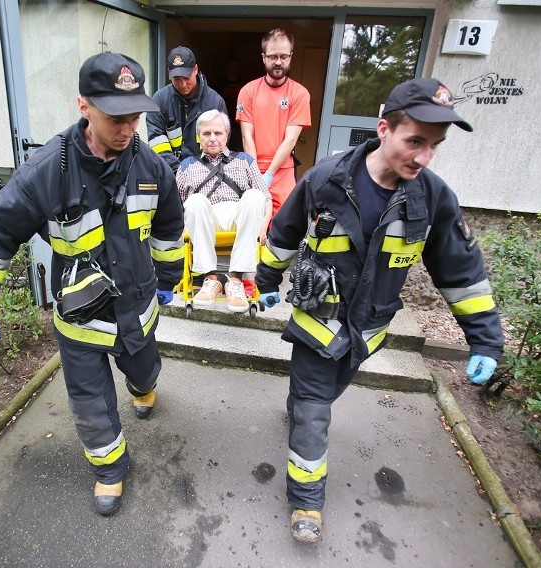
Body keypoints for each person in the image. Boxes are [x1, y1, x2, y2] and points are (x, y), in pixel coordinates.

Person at [255, 77, 504, 543]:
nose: (424, 157)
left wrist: (485, 337)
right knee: (313, 411)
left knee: (323, 396)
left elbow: (460, 272)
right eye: (415, 142)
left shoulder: (431, 198)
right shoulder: (327, 179)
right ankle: (306, 502)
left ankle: (300, 405)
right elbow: (284, 232)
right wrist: (267, 281)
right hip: (317, 322)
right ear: (384, 128)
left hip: (367, 330)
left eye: (434, 146)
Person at [0, 52, 185, 517]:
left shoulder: (151, 166)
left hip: (138, 306)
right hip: (81, 317)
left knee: (144, 372)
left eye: (135, 117)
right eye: (116, 117)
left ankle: (144, 387)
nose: (127, 128)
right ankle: (110, 471)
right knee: (89, 401)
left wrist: (168, 279)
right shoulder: (47, 171)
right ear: (84, 106)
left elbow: (168, 224)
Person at [176, 109, 272, 312]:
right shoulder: (186, 166)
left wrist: (263, 227)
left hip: (240, 215)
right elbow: (177, 206)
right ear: (198, 137)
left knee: (255, 196)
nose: (212, 139)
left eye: (218, 133)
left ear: (227, 135)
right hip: (205, 217)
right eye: (206, 133)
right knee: (194, 201)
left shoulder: (245, 161)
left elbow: (266, 198)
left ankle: (235, 280)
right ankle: (211, 279)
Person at [236, 29, 311, 216]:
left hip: (283, 171)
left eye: (284, 56)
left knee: (282, 225)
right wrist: (255, 174)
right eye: (273, 56)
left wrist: (269, 174)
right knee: (250, 220)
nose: (278, 62)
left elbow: (290, 140)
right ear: (263, 57)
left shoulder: (300, 94)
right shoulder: (248, 91)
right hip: (251, 166)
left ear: (291, 56)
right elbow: (247, 136)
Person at [147, 46, 228, 174]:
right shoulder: (159, 101)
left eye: (186, 78)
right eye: (177, 79)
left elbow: (219, 145)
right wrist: (179, 173)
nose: (183, 84)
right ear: (169, 73)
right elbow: (157, 144)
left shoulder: (215, 102)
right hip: (168, 175)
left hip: (206, 174)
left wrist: (197, 174)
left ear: (195, 69)